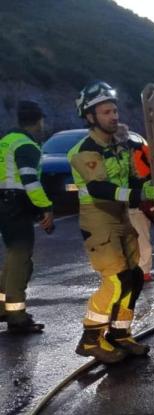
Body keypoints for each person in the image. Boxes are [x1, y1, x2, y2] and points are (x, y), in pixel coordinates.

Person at [68, 81, 154, 363]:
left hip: (120, 215)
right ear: (90, 117)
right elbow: (99, 188)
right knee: (116, 280)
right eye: (106, 112)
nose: (114, 116)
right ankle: (90, 339)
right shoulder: (84, 150)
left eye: (115, 111)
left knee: (133, 277)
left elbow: (131, 179)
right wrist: (137, 194)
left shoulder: (119, 145)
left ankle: (119, 333)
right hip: (98, 219)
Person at [0, 100, 54, 333]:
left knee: (14, 258)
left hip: (5, 204)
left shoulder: (6, 141)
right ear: (39, 121)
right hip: (15, 205)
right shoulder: (26, 145)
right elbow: (29, 181)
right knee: (20, 261)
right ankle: (16, 316)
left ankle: (3, 307)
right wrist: (46, 208)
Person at [117, 125, 154, 282]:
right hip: (136, 201)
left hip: (134, 202)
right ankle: (141, 270)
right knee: (141, 238)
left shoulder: (120, 153)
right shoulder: (140, 149)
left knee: (138, 238)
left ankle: (143, 271)